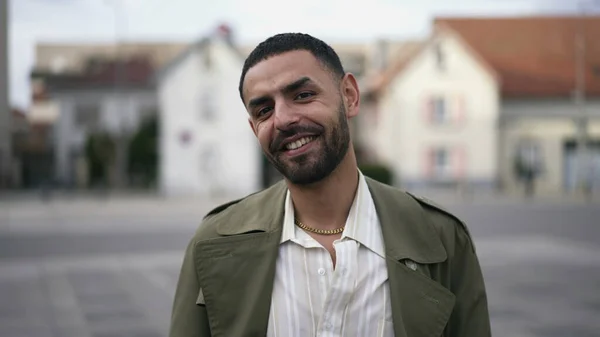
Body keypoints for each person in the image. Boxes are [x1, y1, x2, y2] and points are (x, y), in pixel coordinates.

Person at [169, 33, 491, 337]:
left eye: (303, 95)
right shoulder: (213, 242)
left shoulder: (441, 238)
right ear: (255, 129)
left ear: (349, 96)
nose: (282, 119)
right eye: (264, 110)